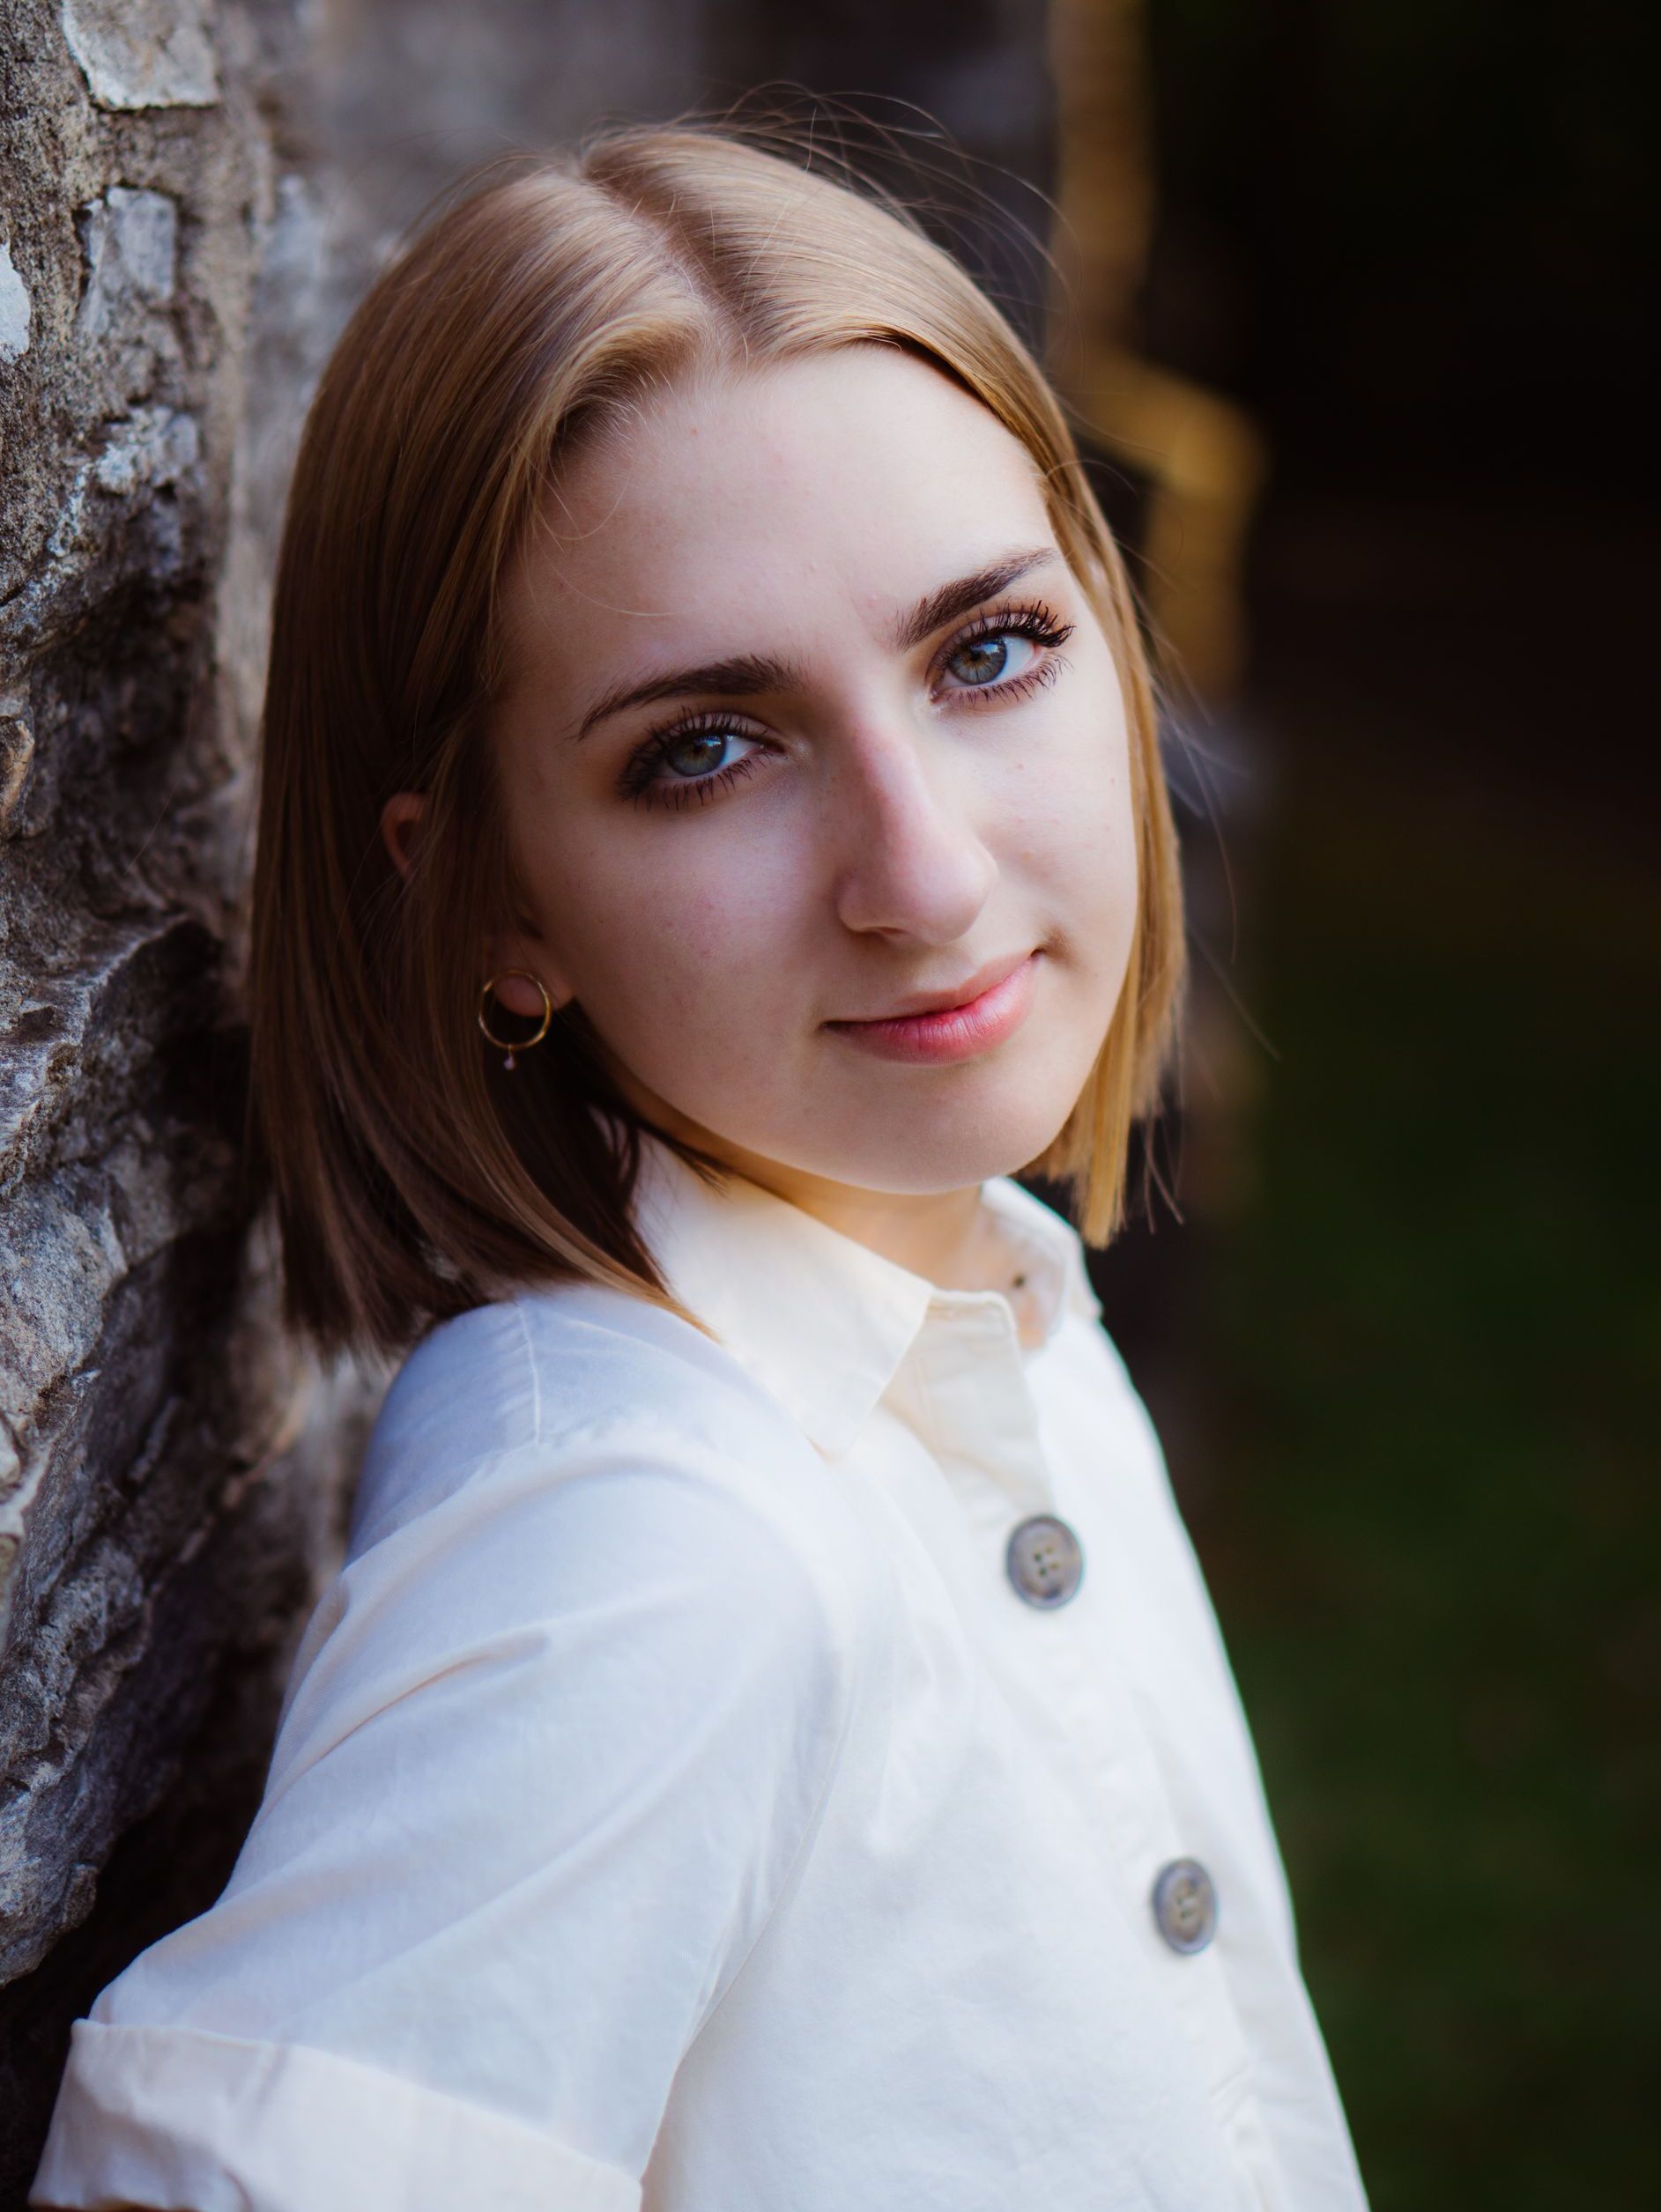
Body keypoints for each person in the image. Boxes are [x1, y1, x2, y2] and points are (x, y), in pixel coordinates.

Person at [31, 122, 1368, 2210]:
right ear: (491, 904)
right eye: (705, 751)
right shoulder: (649, 1540)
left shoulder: (986, 1318)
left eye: (987, 649)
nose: (925, 874)